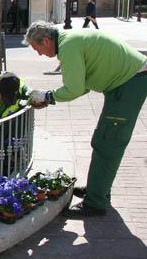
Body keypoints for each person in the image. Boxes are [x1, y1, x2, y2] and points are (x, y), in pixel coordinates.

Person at [24, 21, 147, 217]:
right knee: (103, 140)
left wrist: (47, 97)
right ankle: (98, 190)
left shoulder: (68, 46)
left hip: (128, 84)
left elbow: (75, 88)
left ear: (46, 41)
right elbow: (82, 85)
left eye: (37, 48)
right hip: (127, 82)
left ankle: (96, 203)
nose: (39, 54)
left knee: (109, 142)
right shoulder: (70, 40)